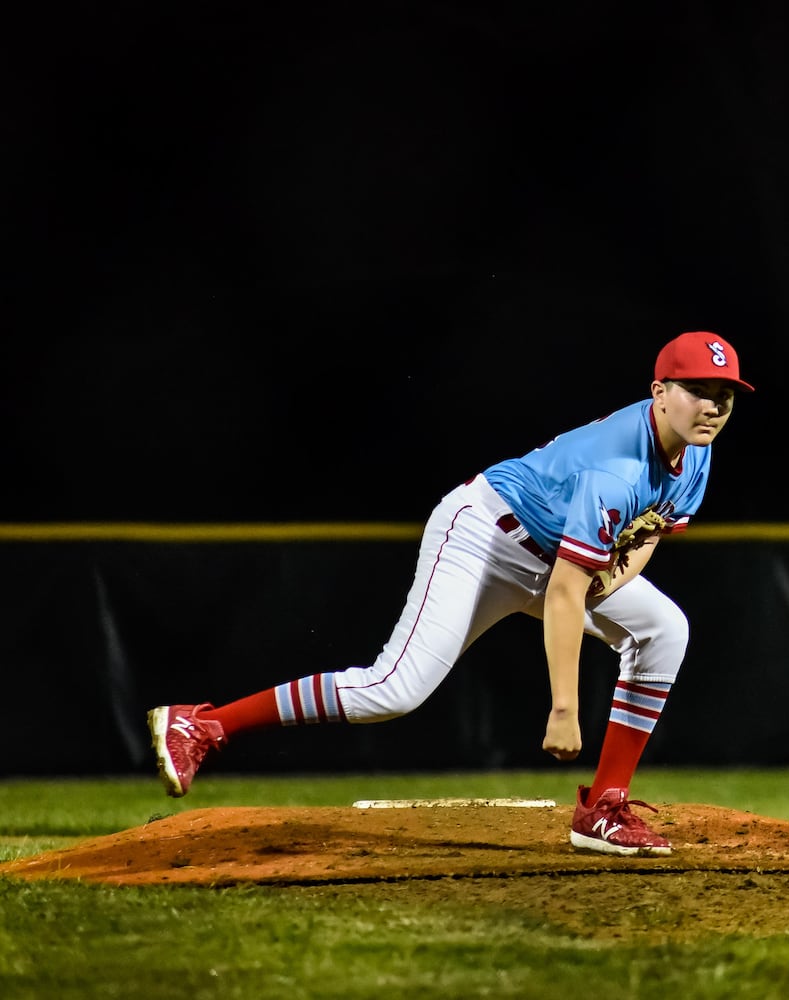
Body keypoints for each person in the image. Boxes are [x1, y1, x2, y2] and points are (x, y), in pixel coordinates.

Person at [146, 330, 753, 857]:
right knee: (392, 690)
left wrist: (612, 581)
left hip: (555, 555)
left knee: (664, 629)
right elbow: (567, 594)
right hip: (485, 538)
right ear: (659, 392)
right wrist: (564, 710)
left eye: (724, 395)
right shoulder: (614, 467)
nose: (713, 406)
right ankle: (204, 725)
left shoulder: (695, 451)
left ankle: (604, 806)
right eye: (698, 390)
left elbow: (649, 532)